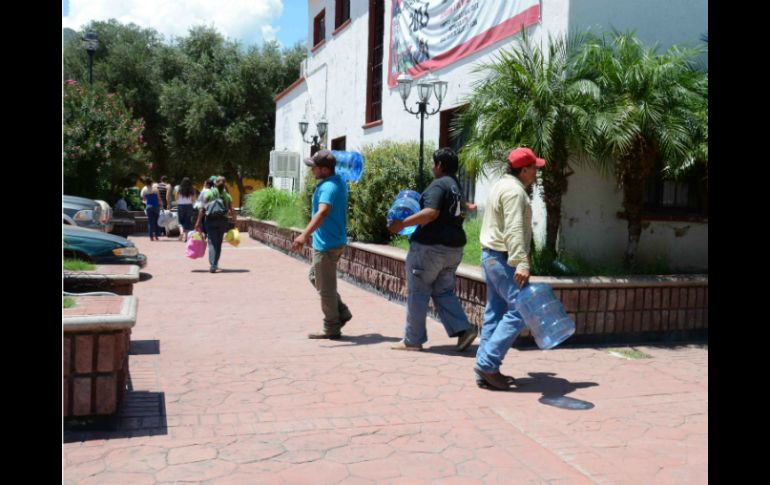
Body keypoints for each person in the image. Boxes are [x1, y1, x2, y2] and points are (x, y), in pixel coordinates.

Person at [387, 147, 477, 352]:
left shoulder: (439, 184)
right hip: (453, 249)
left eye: (433, 163)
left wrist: (401, 224)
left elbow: (431, 212)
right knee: (443, 291)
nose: (431, 167)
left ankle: (412, 340)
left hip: (430, 249)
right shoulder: (455, 186)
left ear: (439, 165)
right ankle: (463, 330)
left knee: (418, 291)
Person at [474, 147, 545, 390]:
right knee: (522, 309)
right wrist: (522, 263)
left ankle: (484, 369)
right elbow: (513, 229)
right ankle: (487, 365)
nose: (536, 173)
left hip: (490, 257)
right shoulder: (515, 192)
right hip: (503, 259)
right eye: (534, 168)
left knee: (495, 313)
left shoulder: (501, 185)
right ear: (523, 169)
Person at [291, 150, 353, 339]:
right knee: (315, 277)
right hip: (331, 241)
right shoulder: (337, 181)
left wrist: (304, 235)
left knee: (325, 289)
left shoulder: (328, 187)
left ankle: (331, 327)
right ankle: (341, 311)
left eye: (314, 167)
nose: (312, 170)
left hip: (327, 245)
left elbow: (323, 211)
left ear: (325, 170)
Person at [194, 176, 235, 273]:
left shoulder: (209, 193)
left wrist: (198, 222)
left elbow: (202, 209)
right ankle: (215, 263)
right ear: (224, 184)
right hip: (223, 220)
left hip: (210, 220)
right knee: (219, 243)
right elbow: (232, 210)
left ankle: (213, 264)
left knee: (212, 242)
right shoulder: (227, 196)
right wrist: (234, 221)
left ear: (215, 184)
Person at [175, 177, 197, 242]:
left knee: (180, 221)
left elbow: (176, 197)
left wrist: (178, 202)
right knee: (187, 222)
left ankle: (181, 232)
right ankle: (186, 238)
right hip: (189, 206)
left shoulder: (179, 189)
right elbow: (194, 199)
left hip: (181, 206)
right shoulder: (192, 189)